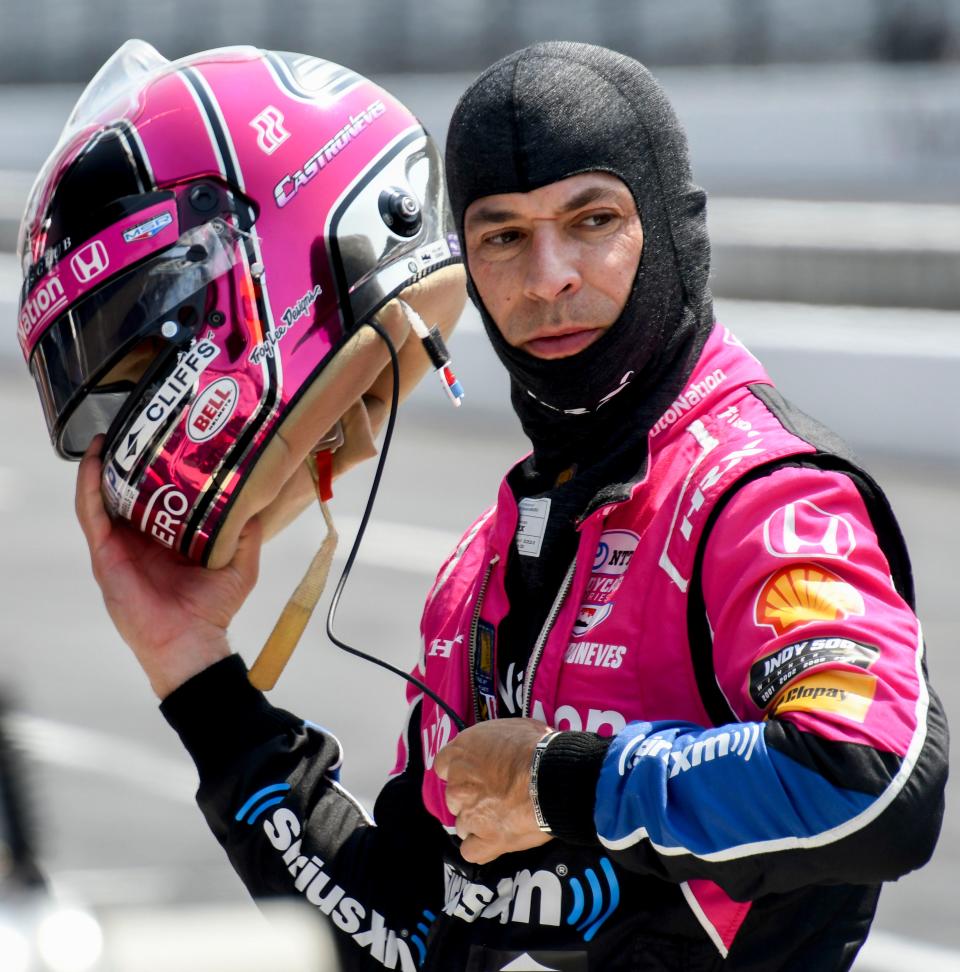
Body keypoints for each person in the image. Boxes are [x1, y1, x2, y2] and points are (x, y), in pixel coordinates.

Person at [71, 42, 947, 972]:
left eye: (593, 219)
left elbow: (874, 780)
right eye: (502, 235)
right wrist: (194, 671)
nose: (548, 277)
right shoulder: (479, 576)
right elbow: (401, 939)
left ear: (675, 226)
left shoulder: (761, 497)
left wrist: (557, 781)